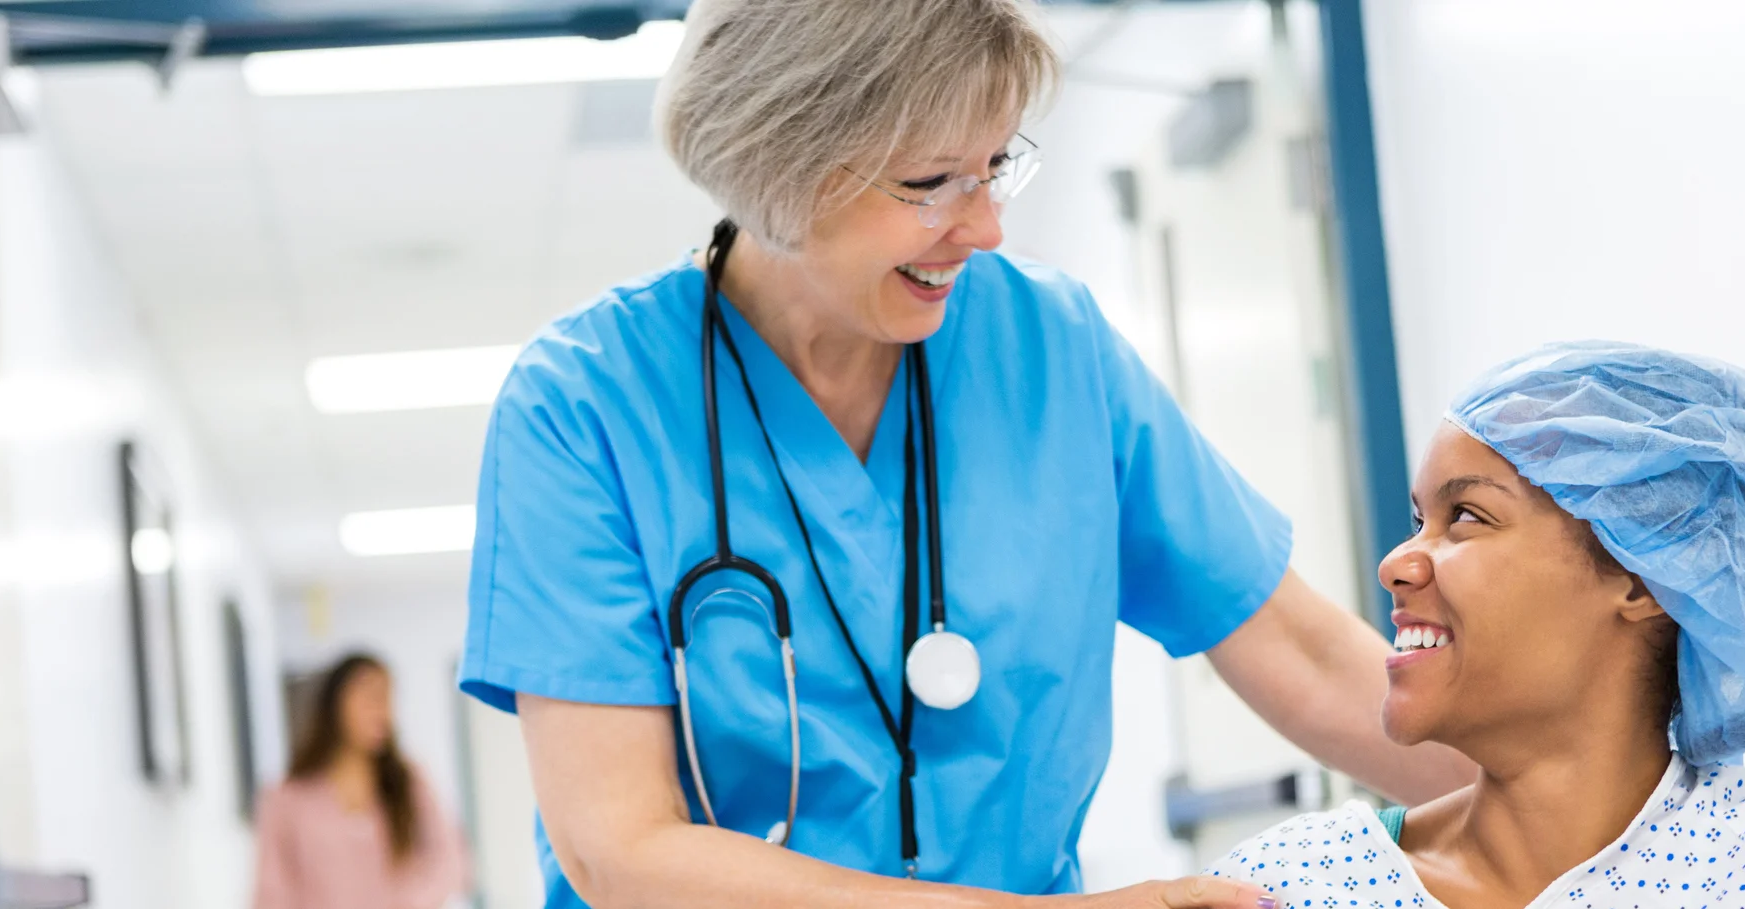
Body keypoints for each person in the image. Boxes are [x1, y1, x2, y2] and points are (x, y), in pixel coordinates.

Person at [456, 0, 1472, 907]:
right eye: (932, 182)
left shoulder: (1049, 347)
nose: (983, 228)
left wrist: (1591, 809)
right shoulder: (585, 404)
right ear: (778, 164)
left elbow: (1303, 654)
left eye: (994, 168)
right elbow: (619, 852)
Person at [1204, 341, 1745, 909]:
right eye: (1416, 518)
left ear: (1640, 576)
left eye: (1464, 515)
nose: (1397, 562)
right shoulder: (1289, 887)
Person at [254, 653, 469, 909]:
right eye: (371, 697)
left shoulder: (409, 782)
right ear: (335, 705)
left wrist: (411, 901)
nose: (382, 711)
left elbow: (452, 862)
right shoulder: (286, 799)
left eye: (387, 699)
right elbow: (271, 892)